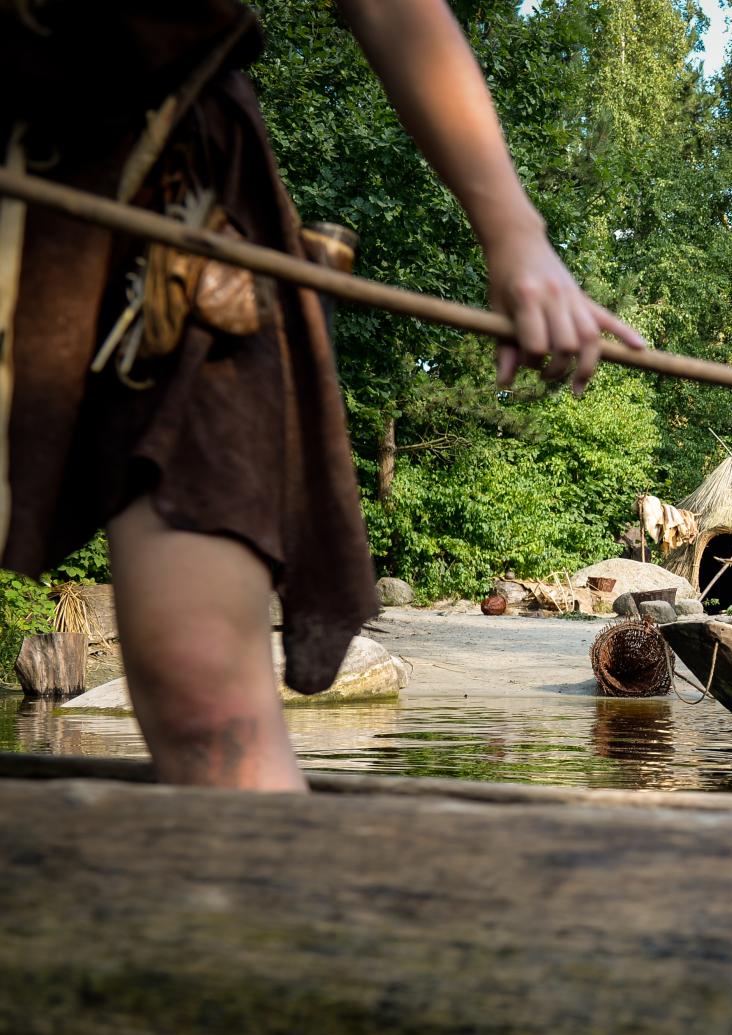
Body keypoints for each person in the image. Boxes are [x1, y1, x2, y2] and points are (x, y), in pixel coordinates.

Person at [0, 1, 644, 791]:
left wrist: (513, 233)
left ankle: (264, 900)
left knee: (209, 700)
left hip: (182, 212)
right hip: (30, 185)